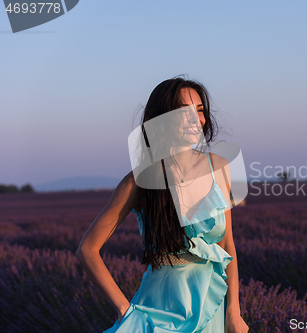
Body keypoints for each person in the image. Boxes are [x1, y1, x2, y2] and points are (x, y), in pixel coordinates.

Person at [76, 77, 249, 333]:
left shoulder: (219, 167)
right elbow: (87, 249)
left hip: (213, 306)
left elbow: (226, 246)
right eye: (183, 112)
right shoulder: (138, 181)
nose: (196, 120)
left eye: (200, 111)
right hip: (159, 312)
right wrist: (126, 312)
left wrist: (233, 311)